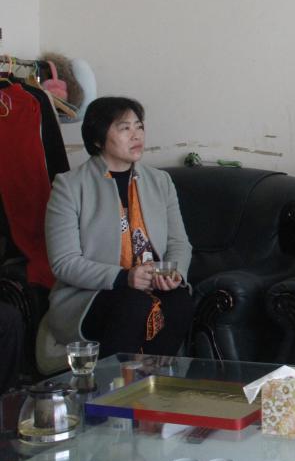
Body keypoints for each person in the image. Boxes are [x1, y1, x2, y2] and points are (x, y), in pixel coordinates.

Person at [42, 97, 193, 358]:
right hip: (91, 295)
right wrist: (124, 277)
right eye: (125, 128)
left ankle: (155, 378)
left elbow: (179, 242)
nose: (136, 135)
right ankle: (116, 381)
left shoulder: (160, 181)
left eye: (139, 126)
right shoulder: (69, 186)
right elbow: (64, 263)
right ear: (98, 140)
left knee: (179, 300)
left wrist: (174, 273)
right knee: (133, 303)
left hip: (153, 284)